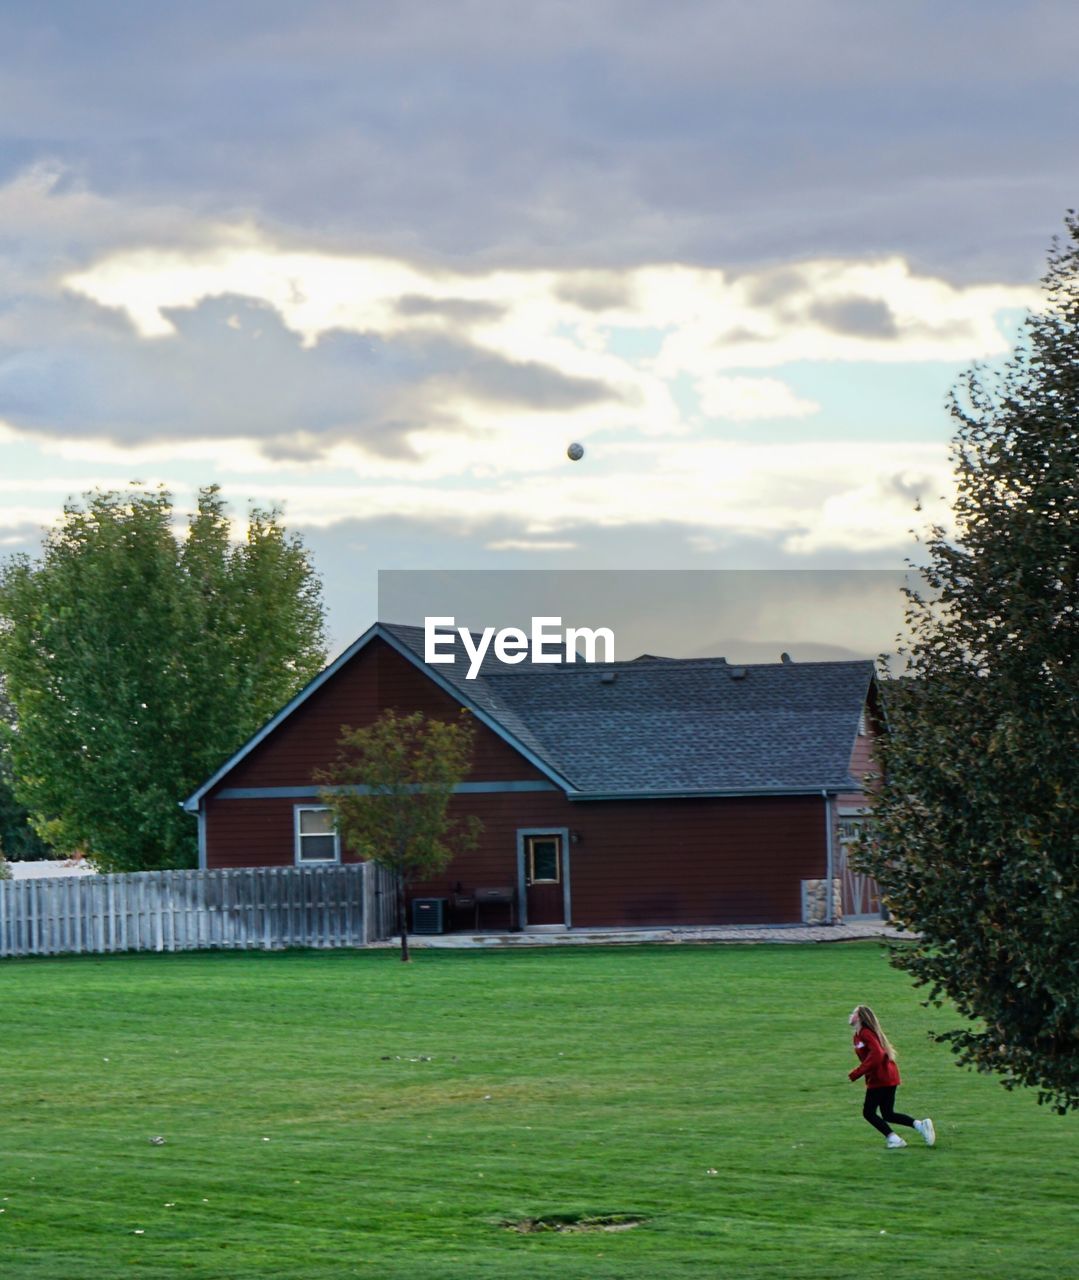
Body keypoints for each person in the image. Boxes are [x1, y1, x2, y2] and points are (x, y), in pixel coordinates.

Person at [848, 1004, 936, 1149]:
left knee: (868, 1113)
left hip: (882, 1078)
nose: (851, 1015)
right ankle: (920, 1125)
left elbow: (877, 1054)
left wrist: (857, 1072)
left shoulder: (865, 1033)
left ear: (861, 1018)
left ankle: (894, 1139)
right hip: (886, 1076)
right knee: (888, 1113)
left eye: (854, 1013)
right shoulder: (858, 1036)